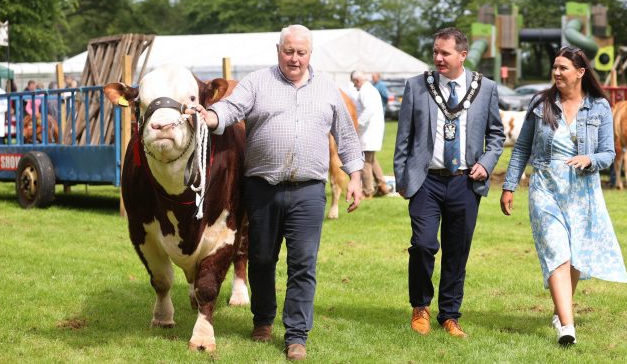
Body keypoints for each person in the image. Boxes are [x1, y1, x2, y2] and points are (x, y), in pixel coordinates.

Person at [195, 24, 363, 361]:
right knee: (260, 259)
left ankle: (297, 335)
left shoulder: (328, 89)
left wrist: (355, 176)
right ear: (278, 50)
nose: (295, 58)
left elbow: (346, 136)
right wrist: (210, 115)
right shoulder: (258, 83)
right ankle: (263, 320)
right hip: (262, 189)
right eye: (289, 51)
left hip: (308, 191)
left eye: (301, 52)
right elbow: (231, 110)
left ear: (310, 54)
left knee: (303, 263)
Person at [500, 46, 627, 346]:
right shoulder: (540, 103)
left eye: (563, 68)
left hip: (583, 190)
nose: (556, 72)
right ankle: (567, 327)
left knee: (574, 257)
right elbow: (522, 148)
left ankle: (561, 310)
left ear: (580, 72)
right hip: (545, 186)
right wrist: (509, 184)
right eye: (554, 67)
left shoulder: (598, 107)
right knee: (557, 252)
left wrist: (589, 160)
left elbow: (608, 152)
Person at [394, 27, 505, 338]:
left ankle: (450, 315)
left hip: (465, 182)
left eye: (445, 53)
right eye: (435, 52)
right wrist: (403, 179)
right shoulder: (417, 86)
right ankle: (420, 306)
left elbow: (497, 136)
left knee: (458, 251)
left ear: (463, 55)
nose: (438, 58)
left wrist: (485, 163)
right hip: (426, 181)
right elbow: (403, 137)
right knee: (424, 244)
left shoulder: (486, 88)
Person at [351, 71, 390, 197]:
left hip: (368, 131)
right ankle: (382, 186)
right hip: (374, 130)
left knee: (365, 161)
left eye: (354, 82)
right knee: (371, 160)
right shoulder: (371, 89)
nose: (354, 86)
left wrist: (357, 124)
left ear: (357, 80)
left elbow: (368, 110)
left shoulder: (364, 91)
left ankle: (368, 191)